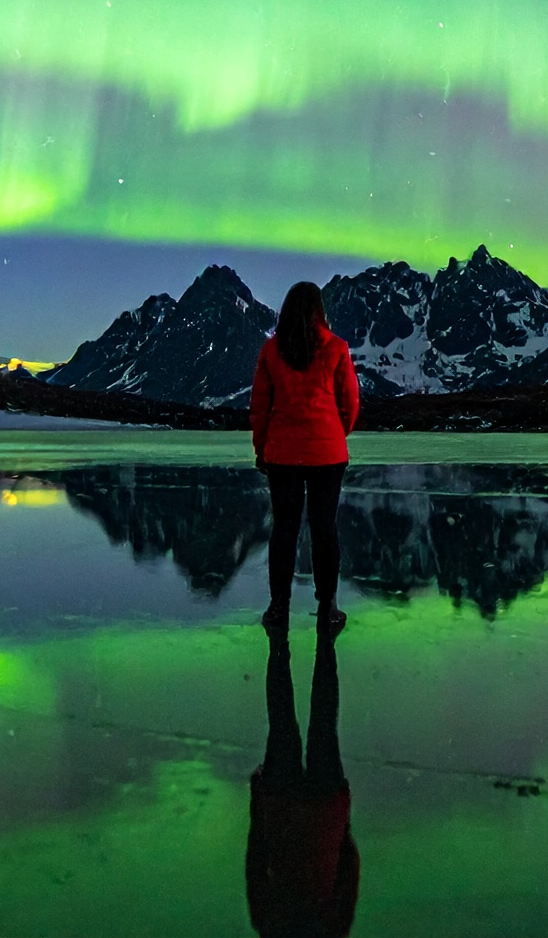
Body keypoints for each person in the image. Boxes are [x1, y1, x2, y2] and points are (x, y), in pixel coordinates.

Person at [250, 281, 358, 633]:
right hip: (327, 453)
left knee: (284, 530)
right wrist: (333, 433)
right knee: (324, 529)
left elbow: (260, 407)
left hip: (282, 453)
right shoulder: (337, 348)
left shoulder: (272, 350)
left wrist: (262, 449)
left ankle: (278, 607)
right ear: (319, 311)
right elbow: (350, 402)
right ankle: (327, 607)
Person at [246, 625, 359, 937]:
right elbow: (256, 860)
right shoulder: (269, 926)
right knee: (283, 721)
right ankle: (280, 645)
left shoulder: (332, 930)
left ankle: (322, 644)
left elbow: (348, 872)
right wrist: (258, 805)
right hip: (282, 810)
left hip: (325, 814)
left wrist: (341, 826)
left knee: (321, 724)